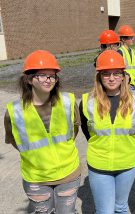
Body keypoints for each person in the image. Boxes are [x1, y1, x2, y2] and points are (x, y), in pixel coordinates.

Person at [4, 50, 81, 214]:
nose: (48, 79)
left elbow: (73, 131)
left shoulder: (68, 102)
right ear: (30, 79)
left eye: (52, 75)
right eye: (42, 75)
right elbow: (15, 141)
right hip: (36, 178)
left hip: (68, 174)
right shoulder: (14, 111)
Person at [80, 50, 135, 214]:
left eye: (116, 73)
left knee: (121, 207)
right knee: (105, 211)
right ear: (99, 76)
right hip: (99, 165)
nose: (111, 77)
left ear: (123, 76)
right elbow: (87, 132)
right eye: (106, 73)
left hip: (127, 164)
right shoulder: (87, 101)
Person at [117, 25, 135, 90]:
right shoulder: (120, 52)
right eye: (130, 38)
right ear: (123, 39)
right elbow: (118, 70)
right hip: (126, 84)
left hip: (133, 83)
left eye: (132, 37)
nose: (133, 39)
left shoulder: (132, 51)